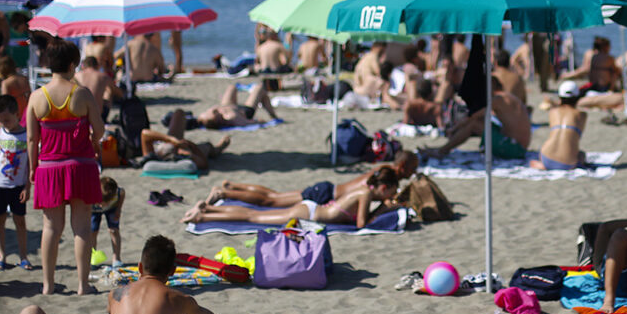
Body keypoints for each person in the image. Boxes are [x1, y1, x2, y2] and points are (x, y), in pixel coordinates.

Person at [28, 39, 104, 296]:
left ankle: (48, 285)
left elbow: (31, 139)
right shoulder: (80, 93)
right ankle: (83, 285)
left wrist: (32, 168)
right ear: (73, 64)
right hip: (80, 165)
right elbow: (100, 129)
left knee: (51, 227)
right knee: (81, 227)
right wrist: (94, 141)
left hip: (49, 167)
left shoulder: (37, 97)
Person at [182, 166, 400, 228]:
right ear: (383, 187)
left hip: (312, 210)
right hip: (311, 212)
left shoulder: (365, 190)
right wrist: (383, 210)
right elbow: (362, 224)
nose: (392, 195)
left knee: (258, 211)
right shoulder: (365, 193)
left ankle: (209, 210)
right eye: (392, 190)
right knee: (254, 215)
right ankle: (205, 215)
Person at [205, 151, 419, 207]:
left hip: (327, 189)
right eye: (412, 168)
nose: (413, 172)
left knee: (273, 195)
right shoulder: (386, 179)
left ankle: (231, 185)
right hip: (324, 194)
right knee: (271, 201)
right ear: (402, 167)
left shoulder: (384, 171)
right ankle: (225, 192)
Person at [422, 77, 531, 160]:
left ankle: (442, 151)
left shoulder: (498, 100)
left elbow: (471, 117)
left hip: (515, 148)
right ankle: (443, 149)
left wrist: (453, 129)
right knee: (479, 123)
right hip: (520, 146)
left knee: (474, 124)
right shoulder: (508, 97)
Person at [0, 95, 32, 272]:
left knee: (20, 221)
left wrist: (28, 187)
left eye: (7, 120)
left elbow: (28, 164)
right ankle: (1, 256)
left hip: (17, 185)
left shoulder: (26, 135)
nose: (4, 123)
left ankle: (23, 256)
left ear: (17, 114)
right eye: (1, 120)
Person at [140, 109, 231, 171]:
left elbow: (145, 133)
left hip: (170, 142)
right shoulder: (184, 156)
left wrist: (172, 140)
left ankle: (194, 121)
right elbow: (204, 164)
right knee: (208, 147)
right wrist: (190, 145)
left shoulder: (154, 156)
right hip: (186, 148)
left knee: (179, 112)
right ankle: (219, 148)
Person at [531, 81, 587, 171]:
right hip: (567, 162)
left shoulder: (553, 112)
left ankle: (544, 165)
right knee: (581, 155)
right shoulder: (582, 115)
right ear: (577, 98)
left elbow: (562, 106)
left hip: (546, 157)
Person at [196, 81, 279, 129]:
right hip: (245, 110)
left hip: (227, 105)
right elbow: (249, 122)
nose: (214, 111)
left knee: (232, 87)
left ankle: (245, 86)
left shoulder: (207, 116)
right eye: (214, 113)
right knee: (260, 88)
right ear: (218, 120)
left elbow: (197, 119)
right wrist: (261, 122)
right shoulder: (232, 118)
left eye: (213, 111)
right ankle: (273, 115)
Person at [91, 176, 125, 267]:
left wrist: (118, 209)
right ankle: (92, 257)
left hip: (112, 209)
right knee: (92, 232)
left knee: (113, 230)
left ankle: (116, 258)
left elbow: (122, 193)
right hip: (93, 211)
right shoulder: (91, 193)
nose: (102, 206)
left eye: (104, 203)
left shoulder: (117, 192)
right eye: (100, 202)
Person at [75, 55, 119, 122]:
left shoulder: (76, 76)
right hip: (98, 115)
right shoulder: (103, 76)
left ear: (83, 66)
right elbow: (118, 92)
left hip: (80, 114)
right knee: (108, 92)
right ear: (97, 65)